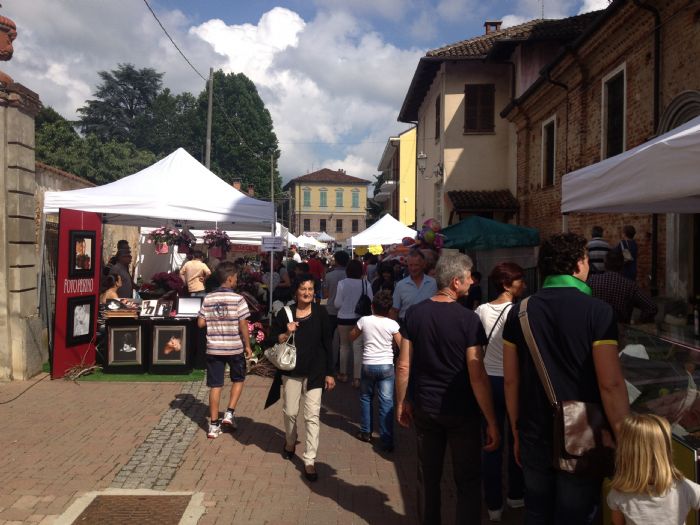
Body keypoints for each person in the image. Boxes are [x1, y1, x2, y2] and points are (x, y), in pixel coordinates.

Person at [502, 232, 630, 524]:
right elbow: (610, 384)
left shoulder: (519, 312)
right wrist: (624, 436)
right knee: (577, 515)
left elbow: (511, 380)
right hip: (584, 434)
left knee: (537, 511)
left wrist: (517, 430)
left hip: (533, 429)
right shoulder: (599, 312)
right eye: (586, 259)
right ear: (577, 264)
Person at [395, 253, 500, 524]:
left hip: (426, 407)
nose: (472, 282)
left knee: (428, 476)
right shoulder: (468, 320)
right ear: (455, 282)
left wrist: (402, 401)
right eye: (469, 277)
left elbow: (404, 365)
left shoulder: (415, 314)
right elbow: (477, 375)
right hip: (461, 410)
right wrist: (491, 419)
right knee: (467, 479)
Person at [269, 273, 336, 482]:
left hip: (316, 372)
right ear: (296, 291)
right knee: (290, 412)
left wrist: (330, 372)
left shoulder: (321, 313)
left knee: (312, 416)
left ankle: (309, 459)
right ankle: (290, 441)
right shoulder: (285, 313)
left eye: (310, 289)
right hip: (292, 372)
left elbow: (328, 343)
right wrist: (286, 333)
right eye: (303, 289)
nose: (307, 293)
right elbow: (272, 339)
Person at [475, 263, 526, 521]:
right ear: (506, 285)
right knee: (517, 437)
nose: (523, 284)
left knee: (491, 440)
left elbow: (476, 348)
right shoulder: (520, 312)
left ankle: (493, 504)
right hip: (513, 381)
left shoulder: (481, 310)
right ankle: (516, 494)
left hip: (487, 381)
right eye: (519, 280)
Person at [608, 413, 700, 524]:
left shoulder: (618, 493)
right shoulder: (684, 488)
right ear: (665, 450)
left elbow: (618, 523)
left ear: (625, 453)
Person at [197, 261, 252, 439]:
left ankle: (213, 426)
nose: (236, 280)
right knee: (238, 379)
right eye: (235, 278)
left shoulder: (208, 298)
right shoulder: (238, 299)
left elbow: (200, 323)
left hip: (214, 348)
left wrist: (214, 319)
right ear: (229, 279)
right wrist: (248, 345)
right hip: (234, 347)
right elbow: (243, 324)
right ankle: (229, 413)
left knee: (215, 385)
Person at [349, 290, 401, 452]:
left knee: (366, 398)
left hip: (368, 364)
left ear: (372, 306)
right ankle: (386, 439)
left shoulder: (364, 320)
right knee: (386, 402)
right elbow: (401, 344)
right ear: (389, 310)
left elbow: (352, 336)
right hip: (386, 366)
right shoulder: (392, 324)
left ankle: (366, 432)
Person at [588, 249, 658, 331]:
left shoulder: (592, 281)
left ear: (605, 264)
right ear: (622, 265)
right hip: (620, 332)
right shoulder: (630, 286)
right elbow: (651, 307)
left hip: (596, 331)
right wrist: (639, 322)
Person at [334, 259, 373, 387]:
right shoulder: (366, 283)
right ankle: (357, 378)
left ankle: (343, 374)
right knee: (358, 348)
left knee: (344, 347)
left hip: (343, 318)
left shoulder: (342, 283)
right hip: (360, 319)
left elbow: (337, 304)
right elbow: (371, 301)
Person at [391, 249, 438, 326]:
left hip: (428, 326)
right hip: (406, 327)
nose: (413, 268)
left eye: (416, 265)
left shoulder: (433, 283)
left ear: (423, 264)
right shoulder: (400, 285)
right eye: (410, 265)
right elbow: (394, 310)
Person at [323, 250, 349, 372]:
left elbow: (325, 294)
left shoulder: (329, 275)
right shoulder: (350, 275)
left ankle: (328, 361)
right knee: (343, 342)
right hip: (346, 312)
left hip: (331, 310)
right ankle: (340, 363)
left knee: (328, 338)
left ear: (336, 261)